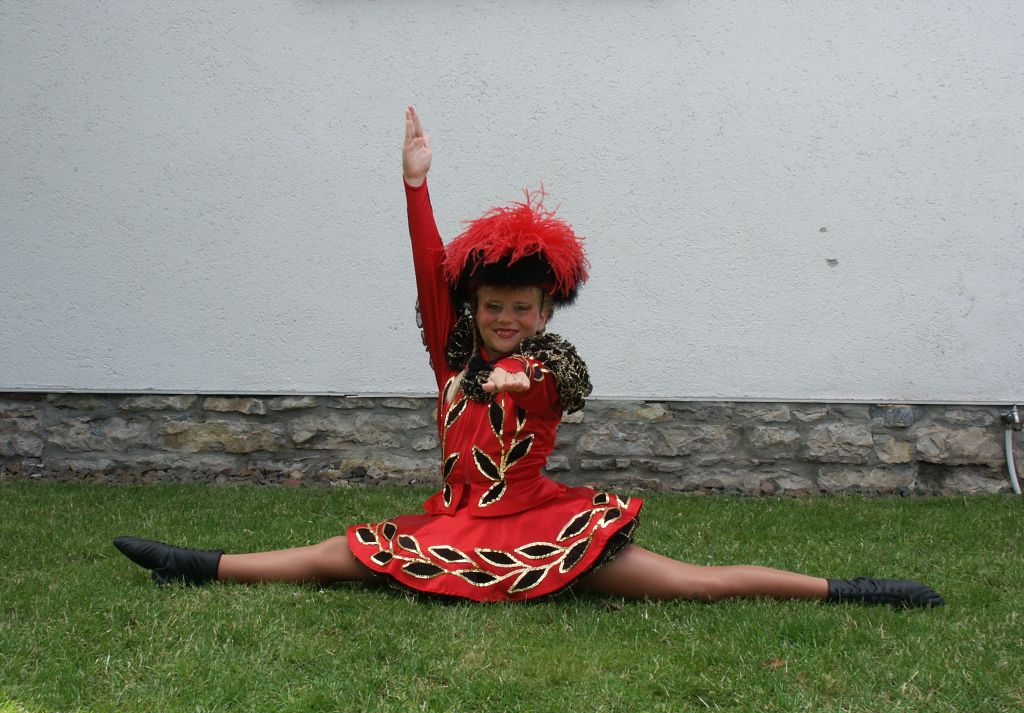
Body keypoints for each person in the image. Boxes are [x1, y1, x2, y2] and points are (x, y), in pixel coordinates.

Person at [113, 107, 943, 608]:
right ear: (473, 308)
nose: (506, 321)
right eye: (493, 308)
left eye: (521, 310)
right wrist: (415, 186)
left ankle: (851, 589)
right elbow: (428, 264)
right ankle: (194, 565)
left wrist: (514, 377)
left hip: (545, 532)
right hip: (455, 528)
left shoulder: (551, 366)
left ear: (543, 312)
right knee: (339, 555)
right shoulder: (451, 358)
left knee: (697, 583)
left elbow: (537, 385)